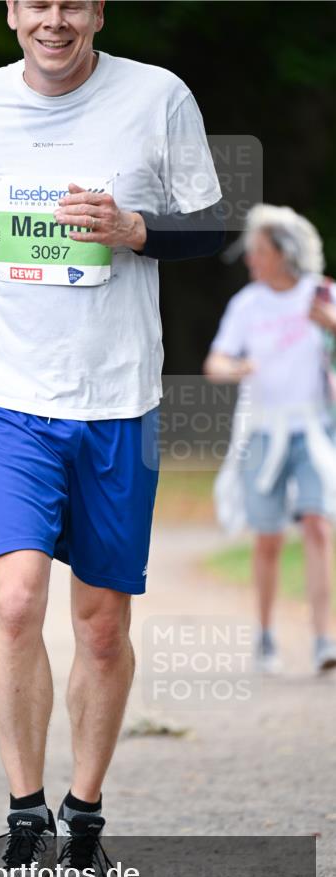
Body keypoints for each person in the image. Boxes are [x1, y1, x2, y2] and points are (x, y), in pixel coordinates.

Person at [0, 0, 224, 877]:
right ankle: (25, 823)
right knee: (13, 603)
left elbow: (213, 227)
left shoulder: (156, 95)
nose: (53, 20)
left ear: (95, 10)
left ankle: (83, 821)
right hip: (8, 396)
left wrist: (136, 231)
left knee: (99, 626)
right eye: (36, 2)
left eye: (71, 3)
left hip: (118, 400)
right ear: (12, 12)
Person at [204, 204, 336, 675]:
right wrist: (235, 368)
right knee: (269, 538)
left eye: (258, 251)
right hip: (263, 429)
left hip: (314, 427)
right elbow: (215, 362)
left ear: (284, 253)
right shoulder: (247, 305)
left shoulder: (321, 295)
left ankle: (324, 639)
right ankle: (264, 636)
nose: (251, 260)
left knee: (319, 527)